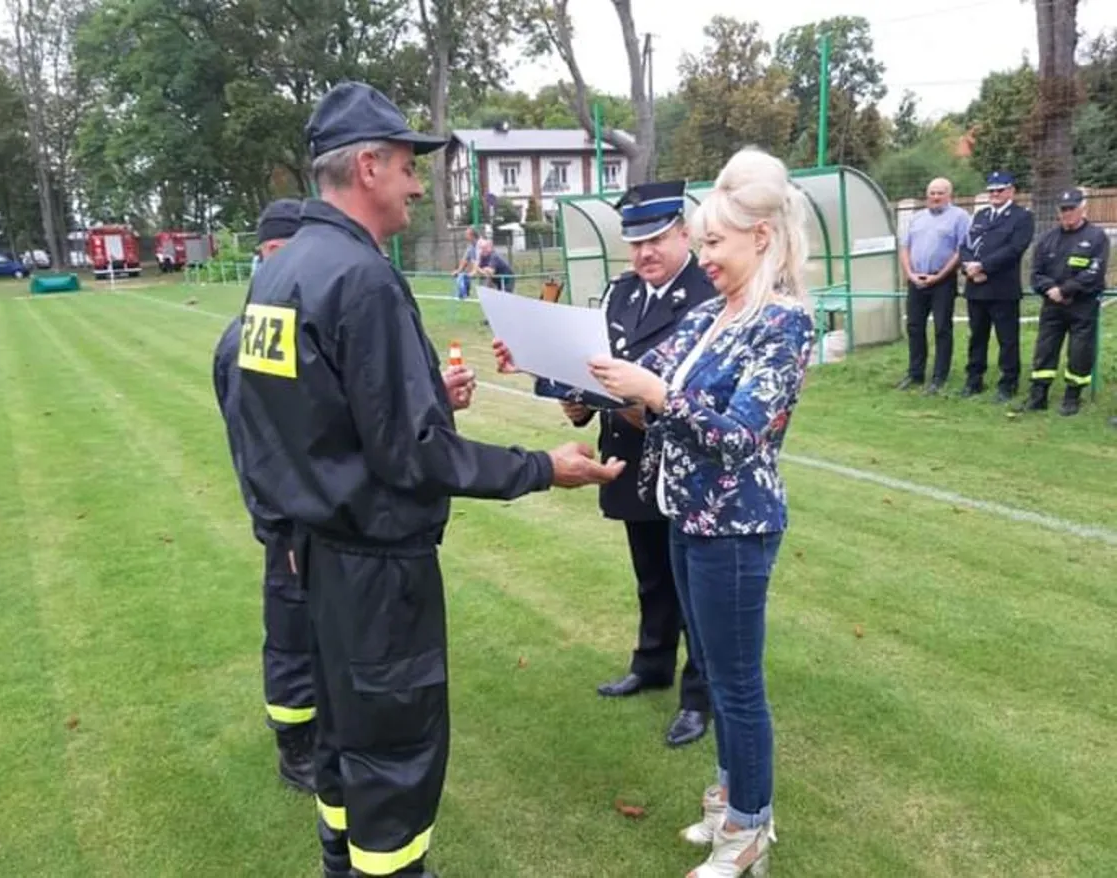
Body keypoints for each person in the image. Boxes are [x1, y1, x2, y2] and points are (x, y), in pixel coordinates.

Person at [235, 81, 624, 878]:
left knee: (342, 733)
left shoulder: (278, 274)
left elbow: (290, 421)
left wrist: (292, 524)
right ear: (369, 167)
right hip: (375, 568)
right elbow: (414, 456)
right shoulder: (361, 278)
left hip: (315, 555)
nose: (418, 186)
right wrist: (543, 468)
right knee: (391, 751)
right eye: (410, 166)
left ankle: (340, 862)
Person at [588, 147, 815, 878]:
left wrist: (654, 394)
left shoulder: (785, 323)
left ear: (762, 236)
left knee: (738, 686)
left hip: (737, 527)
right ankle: (729, 801)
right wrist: (571, 374)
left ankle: (749, 831)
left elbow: (741, 435)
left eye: (714, 242)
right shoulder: (711, 316)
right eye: (704, 241)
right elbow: (646, 395)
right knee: (715, 674)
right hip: (685, 517)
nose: (704, 256)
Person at [494, 180, 714, 748]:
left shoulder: (709, 295)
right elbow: (599, 368)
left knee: (695, 588)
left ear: (684, 234)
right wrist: (576, 404)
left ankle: (699, 695)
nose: (645, 253)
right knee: (651, 576)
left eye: (657, 240)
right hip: (631, 458)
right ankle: (652, 663)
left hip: (686, 464)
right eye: (636, 243)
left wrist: (635, 402)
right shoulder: (622, 294)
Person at [212, 198, 315, 793]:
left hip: (310, 516)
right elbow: (259, 450)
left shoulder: (282, 326)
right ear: (274, 252)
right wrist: (281, 528)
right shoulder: (251, 340)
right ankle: (295, 746)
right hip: (289, 523)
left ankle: (317, 727)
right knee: (292, 634)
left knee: (317, 631)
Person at [1022, 187, 1111, 416]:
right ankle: (1038, 395)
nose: (1067, 213)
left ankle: (1072, 397)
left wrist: (1065, 290)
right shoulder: (1047, 239)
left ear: (1083, 209)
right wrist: (1050, 289)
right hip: (1052, 304)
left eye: (1071, 208)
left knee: (1080, 351)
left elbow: (1094, 273)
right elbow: (1036, 274)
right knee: (1045, 349)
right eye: (1063, 209)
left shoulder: (1096, 237)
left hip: (1082, 305)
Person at [958, 171, 1034, 402]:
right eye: (991, 190)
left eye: (1000, 190)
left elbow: (1014, 249)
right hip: (976, 287)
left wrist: (983, 267)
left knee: (1007, 340)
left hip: (1002, 289)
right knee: (977, 338)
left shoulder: (1021, 217)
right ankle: (974, 381)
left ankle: (1008, 384)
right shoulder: (981, 215)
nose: (995, 194)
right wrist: (968, 268)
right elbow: (966, 245)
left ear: (1011, 191)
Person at [896, 178, 970, 394]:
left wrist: (940, 276)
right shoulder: (917, 218)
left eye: (940, 193)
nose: (935, 197)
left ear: (949, 195)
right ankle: (915, 373)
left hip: (942, 281)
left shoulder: (960, 217)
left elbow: (961, 250)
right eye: (932, 193)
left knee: (942, 328)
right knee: (914, 327)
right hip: (916, 280)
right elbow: (905, 248)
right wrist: (910, 274)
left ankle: (939, 376)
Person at [453, 227, 478, 299]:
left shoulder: (481, 245)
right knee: (463, 276)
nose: (465, 237)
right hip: (479, 272)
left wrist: (474, 271)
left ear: (472, 236)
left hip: (487, 272)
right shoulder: (470, 247)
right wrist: (458, 271)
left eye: (467, 235)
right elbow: (465, 260)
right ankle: (464, 295)